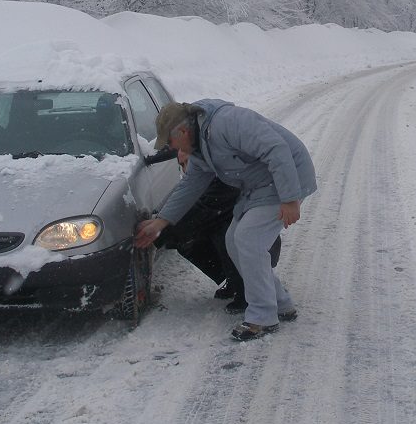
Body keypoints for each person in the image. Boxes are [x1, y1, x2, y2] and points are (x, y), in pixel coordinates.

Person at [135, 100, 316, 341]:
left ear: (183, 132)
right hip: (260, 185)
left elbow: (275, 148)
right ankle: (280, 303)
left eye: (169, 142)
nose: (170, 148)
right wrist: (162, 221)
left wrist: (290, 198)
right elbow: (191, 184)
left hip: (286, 178)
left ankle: (262, 316)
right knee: (234, 241)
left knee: (248, 239)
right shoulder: (200, 147)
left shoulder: (227, 123)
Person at [149, 148, 282, 311]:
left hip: (259, 244)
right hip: (233, 227)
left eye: (187, 162)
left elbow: (201, 210)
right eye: (181, 164)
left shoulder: (221, 179)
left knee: (222, 235)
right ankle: (234, 280)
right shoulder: (205, 173)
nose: (185, 169)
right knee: (187, 238)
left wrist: (156, 233)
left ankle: (247, 292)